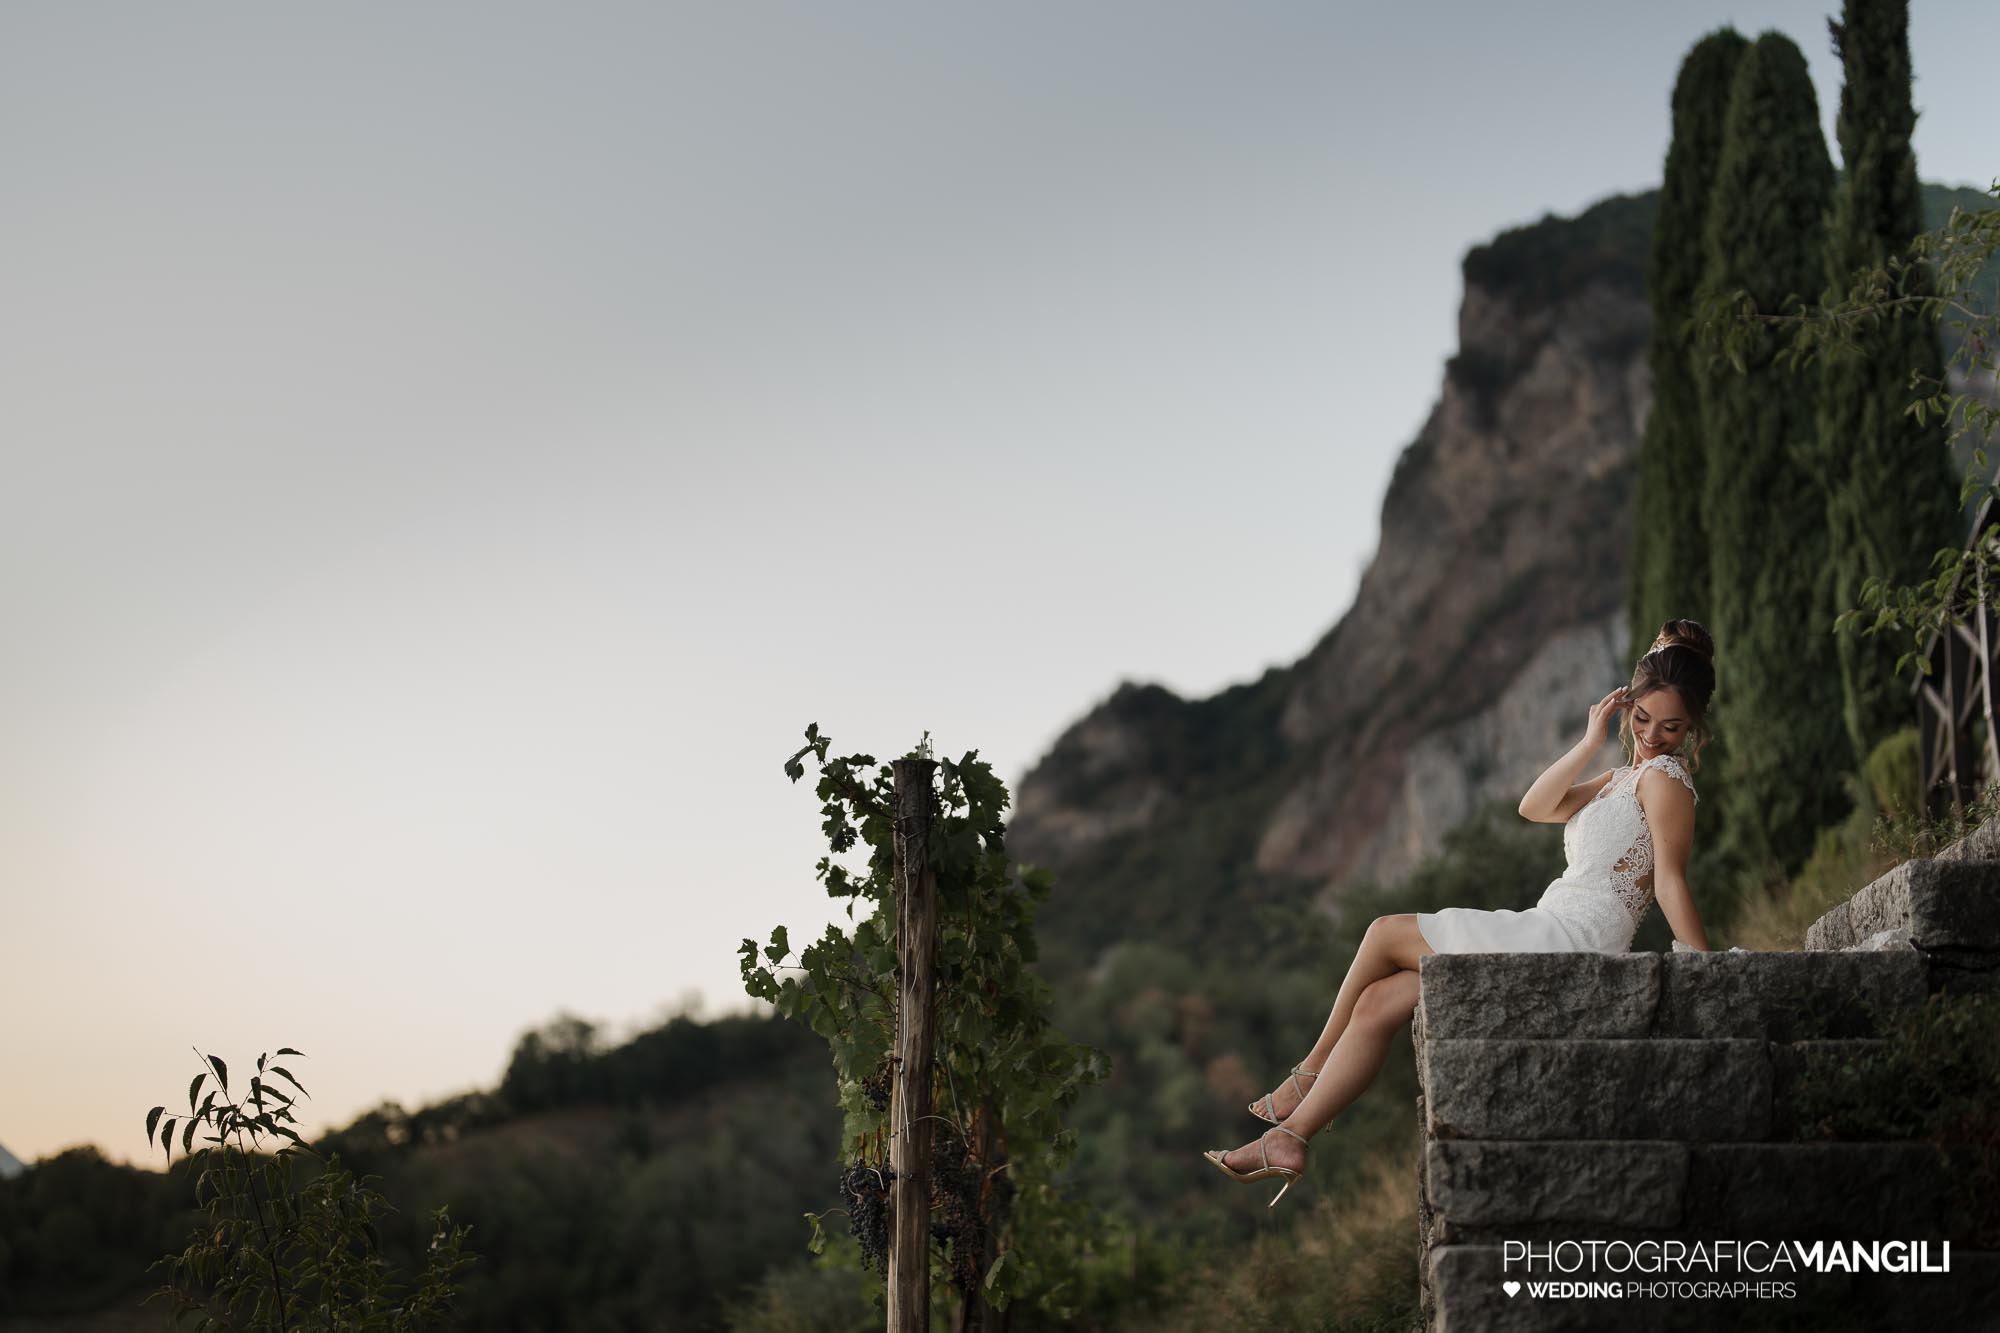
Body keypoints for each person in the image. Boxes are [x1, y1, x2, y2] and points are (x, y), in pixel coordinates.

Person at [1203, 619, 1718, 1206]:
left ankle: (1308, 1072)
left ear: (1693, 727)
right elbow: (1535, 807)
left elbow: (1672, 881)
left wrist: (1703, 966)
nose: (1652, 736)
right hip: (1549, 922)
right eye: (1642, 719)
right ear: (1626, 708)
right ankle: (1290, 1138)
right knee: (1379, 1001)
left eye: (1671, 727)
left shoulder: (1667, 780)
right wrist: (1587, 740)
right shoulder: (1620, 778)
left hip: (1574, 938)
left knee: (1384, 932)